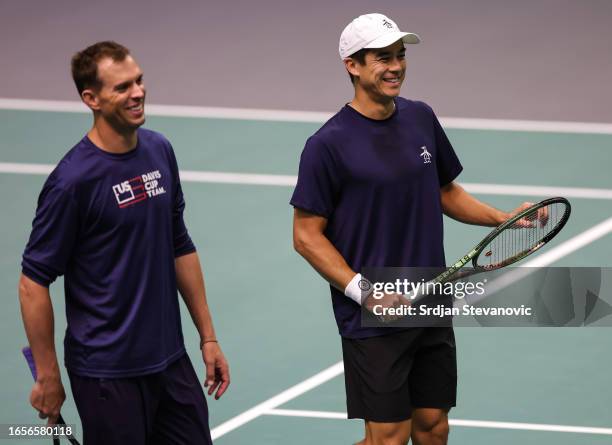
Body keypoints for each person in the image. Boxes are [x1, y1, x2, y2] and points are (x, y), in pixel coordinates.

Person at [291, 13, 532, 445]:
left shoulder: (420, 117)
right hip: (375, 309)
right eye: (383, 57)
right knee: (388, 436)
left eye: (400, 56)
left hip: (429, 293)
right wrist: (365, 292)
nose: (397, 66)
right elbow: (306, 236)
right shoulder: (327, 145)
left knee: (432, 428)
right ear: (353, 64)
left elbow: (444, 192)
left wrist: (502, 218)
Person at [19, 41, 229, 444]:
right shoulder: (72, 183)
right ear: (91, 99)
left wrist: (208, 337)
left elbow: (179, 245)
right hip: (106, 373)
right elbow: (32, 283)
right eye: (122, 87)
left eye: (139, 81)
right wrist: (47, 376)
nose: (137, 93)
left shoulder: (159, 151)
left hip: (169, 362)